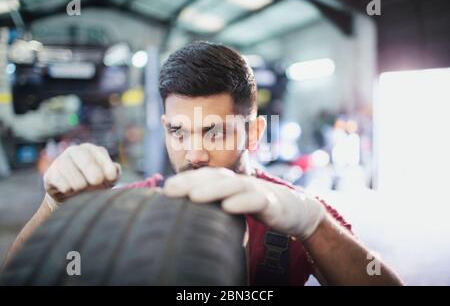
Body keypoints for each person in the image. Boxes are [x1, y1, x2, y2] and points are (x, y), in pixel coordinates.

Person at [4, 42, 402, 286]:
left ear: (253, 132)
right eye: (178, 131)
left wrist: (315, 225)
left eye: (215, 132)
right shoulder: (132, 205)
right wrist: (53, 207)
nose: (193, 153)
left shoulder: (299, 218)